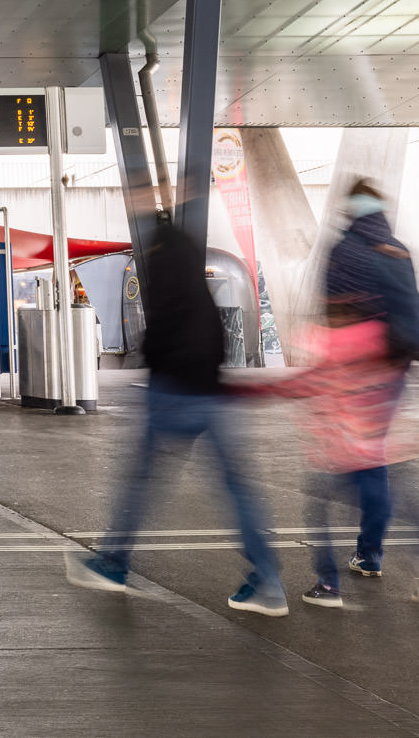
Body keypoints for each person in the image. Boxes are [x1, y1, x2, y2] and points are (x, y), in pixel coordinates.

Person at [236, 180, 419, 623]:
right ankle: (406, 567)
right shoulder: (397, 250)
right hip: (388, 380)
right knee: (393, 488)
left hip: (346, 407)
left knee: (333, 495)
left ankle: (334, 580)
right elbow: (415, 312)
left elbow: (311, 371)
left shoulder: (345, 251)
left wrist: (250, 389)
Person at [66, 212, 287, 616]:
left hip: (174, 391)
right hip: (212, 390)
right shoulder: (193, 272)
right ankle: (269, 580)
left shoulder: (164, 267)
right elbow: (213, 331)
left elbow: (161, 332)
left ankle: (113, 563)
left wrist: (152, 359)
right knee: (237, 489)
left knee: (141, 481)